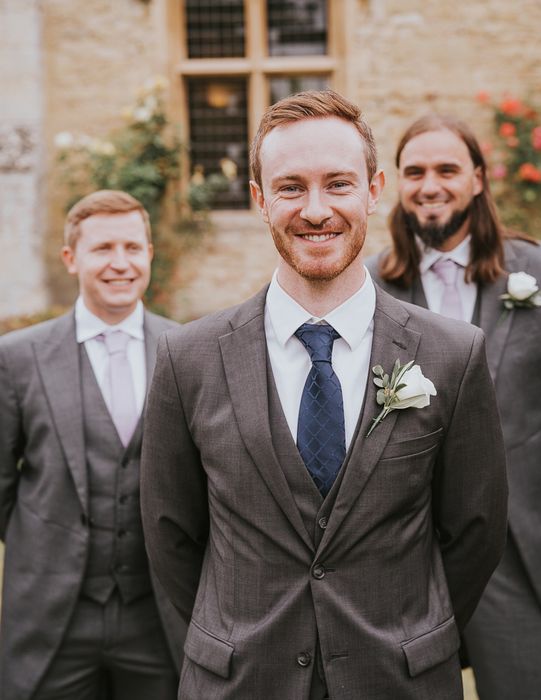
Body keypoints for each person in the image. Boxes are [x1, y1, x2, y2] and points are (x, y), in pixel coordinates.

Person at [140, 90, 508, 700]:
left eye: (338, 184)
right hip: (241, 682)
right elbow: (170, 534)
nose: (316, 210)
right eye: (290, 188)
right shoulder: (189, 359)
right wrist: (234, 638)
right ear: (260, 199)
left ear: (373, 189)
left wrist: (412, 635)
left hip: (399, 679)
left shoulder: (453, 355)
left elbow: (474, 533)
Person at [367, 114, 541, 700]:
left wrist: (516, 470)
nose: (430, 184)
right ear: (398, 182)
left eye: (447, 169)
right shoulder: (369, 285)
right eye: (414, 171)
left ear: (477, 179)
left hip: (509, 545)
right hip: (402, 547)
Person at [0, 190, 185, 699]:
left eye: (132, 247)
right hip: (53, 619)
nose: (119, 263)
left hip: (157, 617)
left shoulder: (187, 352)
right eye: (103, 249)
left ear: (149, 253)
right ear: (71, 258)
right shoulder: (17, 359)